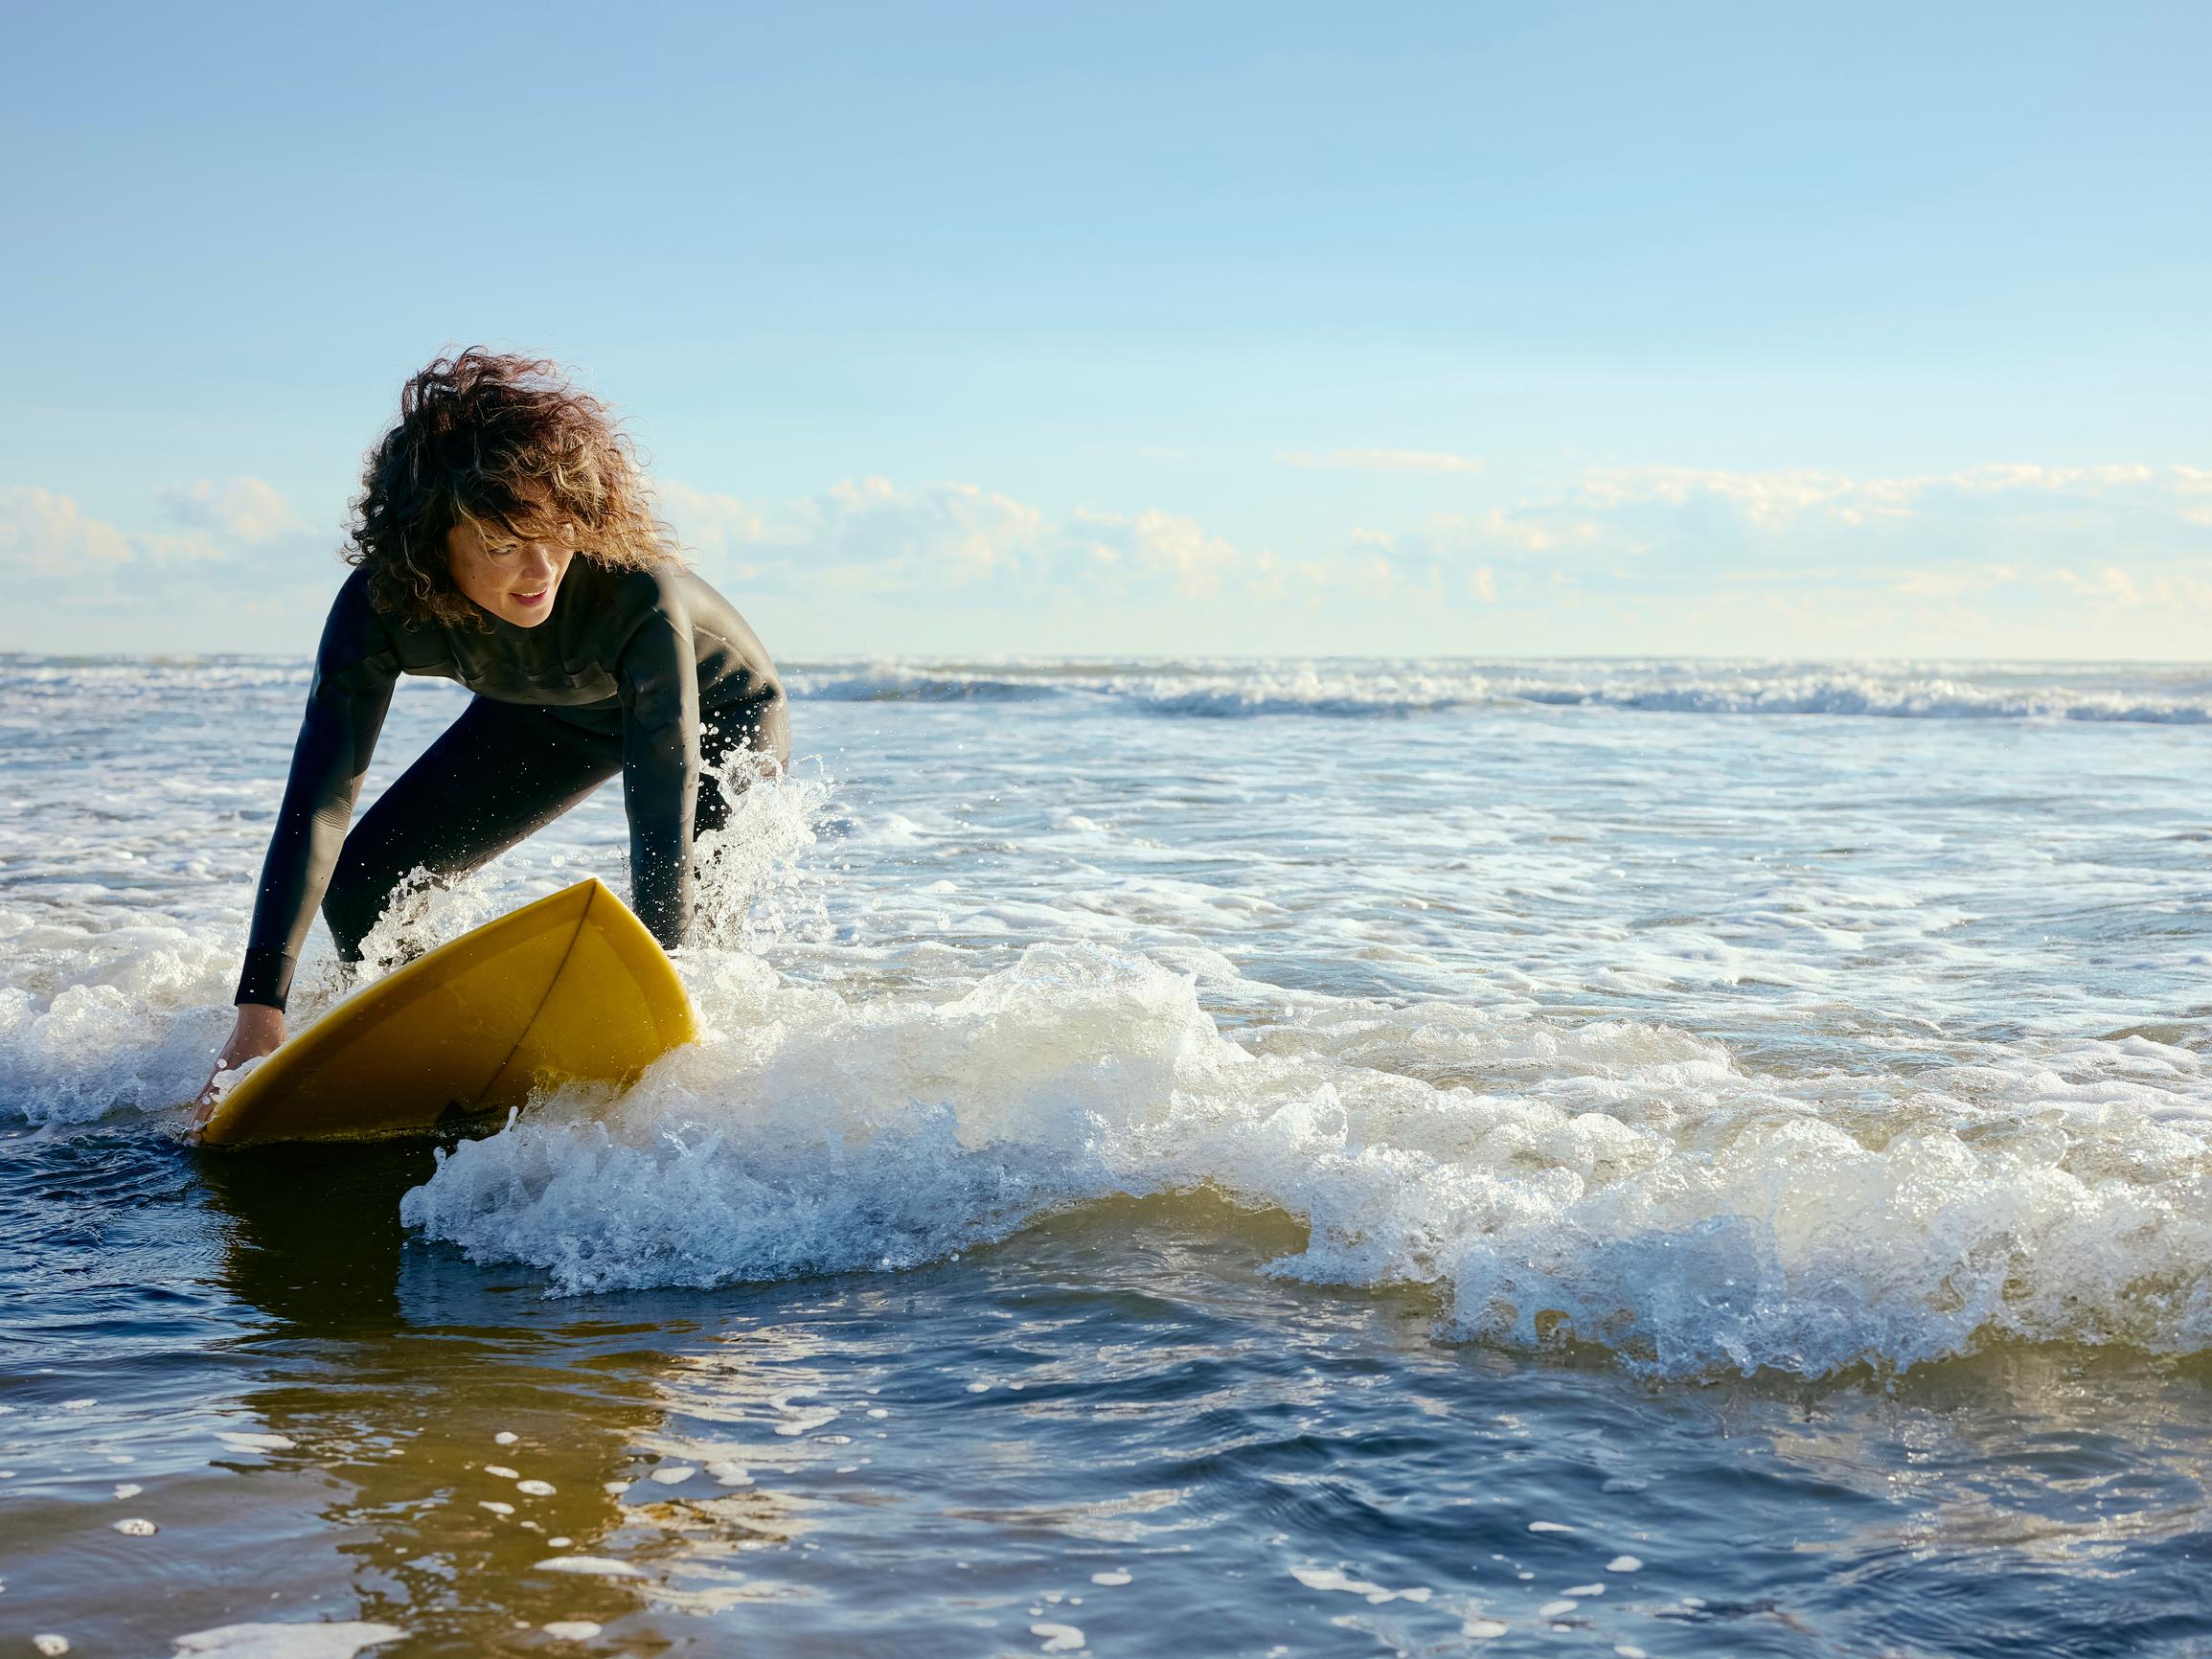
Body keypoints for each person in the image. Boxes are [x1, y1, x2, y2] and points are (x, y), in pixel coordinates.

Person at [194, 350, 787, 1120]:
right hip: (544, 711)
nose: (541, 571)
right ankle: (448, 1047)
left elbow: (659, 821)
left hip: (716, 718)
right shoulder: (380, 607)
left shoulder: (634, 597)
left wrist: (662, 995)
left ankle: (702, 1095)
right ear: (429, 543)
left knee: (689, 924)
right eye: (503, 545)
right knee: (367, 884)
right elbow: (320, 802)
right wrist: (258, 1014)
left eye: (556, 532)